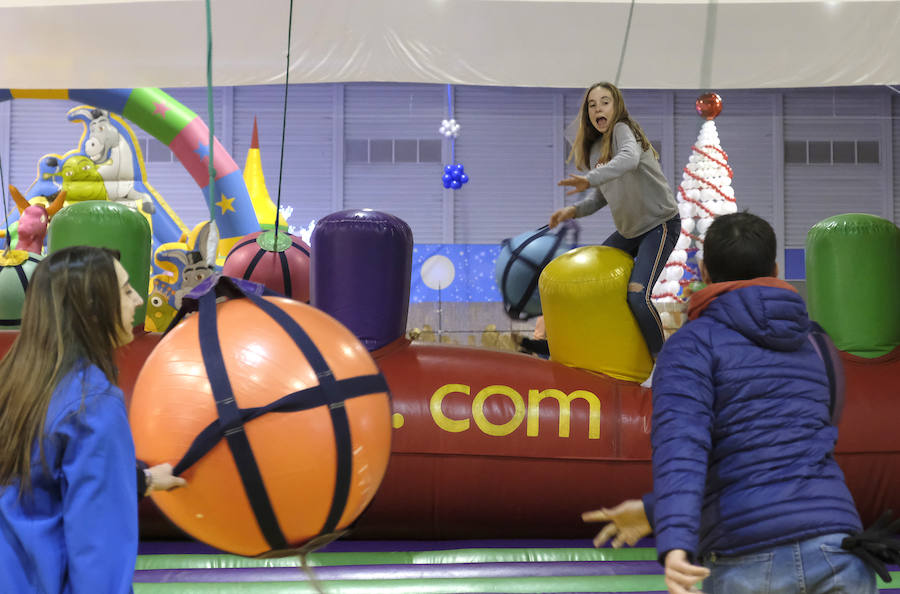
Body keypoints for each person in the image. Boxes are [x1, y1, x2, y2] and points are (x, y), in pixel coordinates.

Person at [583, 212, 877, 594]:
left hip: (748, 556)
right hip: (839, 550)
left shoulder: (691, 347)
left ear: (704, 271)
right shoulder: (817, 344)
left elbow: (683, 453)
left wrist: (676, 543)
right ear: (774, 269)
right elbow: (796, 448)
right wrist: (655, 511)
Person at [0, 246, 182, 593]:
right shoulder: (93, 402)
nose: (139, 301)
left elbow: (41, 481)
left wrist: (140, 480)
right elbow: (100, 548)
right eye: (127, 291)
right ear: (94, 311)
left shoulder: (15, 381)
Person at [549, 81, 680, 359]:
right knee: (594, 281)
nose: (599, 108)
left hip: (660, 224)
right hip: (629, 231)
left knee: (637, 295)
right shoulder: (599, 151)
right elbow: (600, 198)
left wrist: (589, 179)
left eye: (605, 102)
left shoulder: (624, 130)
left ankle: (663, 363)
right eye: (592, 105)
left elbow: (630, 159)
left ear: (616, 106)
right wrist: (572, 212)